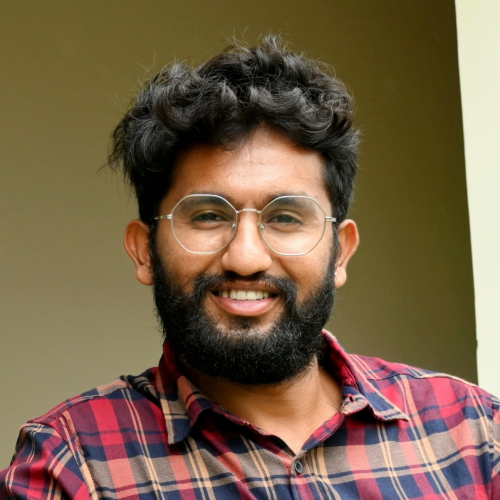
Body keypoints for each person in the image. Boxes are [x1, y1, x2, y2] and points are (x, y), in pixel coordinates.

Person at [1, 35, 498, 500]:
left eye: (285, 217)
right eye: (207, 215)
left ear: (341, 252)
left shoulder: (474, 433)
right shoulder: (72, 466)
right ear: (145, 250)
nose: (246, 258)